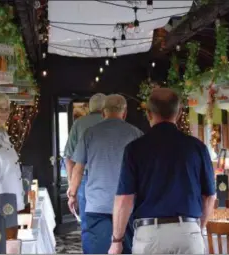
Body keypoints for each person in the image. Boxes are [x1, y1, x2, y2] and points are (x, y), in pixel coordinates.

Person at [108, 88, 216, 254]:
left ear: (149, 114)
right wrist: (197, 227)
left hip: (150, 234)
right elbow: (209, 196)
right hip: (188, 232)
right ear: (179, 113)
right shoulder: (197, 148)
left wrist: (117, 240)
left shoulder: (134, 149)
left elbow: (124, 200)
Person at [68, 94, 143, 254]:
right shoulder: (136, 134)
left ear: (103, 112)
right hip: (127, 206)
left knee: (98, 250)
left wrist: (72, 194)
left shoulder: (89, 133)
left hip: (97, 204)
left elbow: (78, 168)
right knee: (127, 250)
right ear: (125, 112)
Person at [64, 93, 106, 254]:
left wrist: (71, 184)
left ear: (90, 107)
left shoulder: (79, 124)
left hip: (84, 179)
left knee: (87, 225)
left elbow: (69, 157)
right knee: (113, 221)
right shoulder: (114, 124)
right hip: (110, 180)